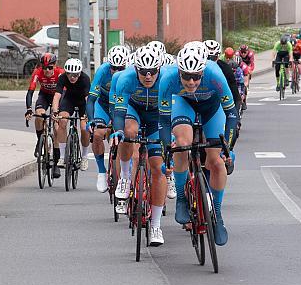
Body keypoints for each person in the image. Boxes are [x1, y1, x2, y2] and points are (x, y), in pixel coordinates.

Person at [159, 42, 237, 246]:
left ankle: (217, 215)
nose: (191, 82)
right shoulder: (167, 78)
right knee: (182, 143)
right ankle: (182, 198)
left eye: (196, 76)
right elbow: (164, 121)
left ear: (203, 71)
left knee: (217, 162)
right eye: (186, 76)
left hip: (211, 109)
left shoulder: (215, 74)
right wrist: (167, 147)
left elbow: (231, 114)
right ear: (179, 72)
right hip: (183, 105)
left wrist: (227, 148)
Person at [111, 45, 166, 246]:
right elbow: (118, 112)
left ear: (159, 69)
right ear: (136, 70)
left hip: (157, 117)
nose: (148, 76)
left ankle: (156, 225)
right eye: (143, 72)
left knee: (158, 169)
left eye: (152, 72)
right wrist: (118, 131)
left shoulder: (167, 79)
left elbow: (173, 114)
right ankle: (125, 177)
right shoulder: (125, 78)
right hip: (134, 111)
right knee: (128, 132)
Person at [87, 45, 130, 192]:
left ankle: (124, 176)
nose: (116, 71)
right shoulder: (102, 71)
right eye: (113, 67)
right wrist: (91, 120)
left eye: (120, 68)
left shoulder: (131, 73)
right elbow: (91, 99)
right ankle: (101, 171)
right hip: (103, 105)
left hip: (122, 105)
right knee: (98, 134)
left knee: (125, 137)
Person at [25, 53, 63, 176]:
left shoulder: (60, 73)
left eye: (50, 67)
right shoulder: (37, 72)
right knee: (39, 115)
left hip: (58, 97)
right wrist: (28, 109)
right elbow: (30, 92)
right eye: (44, 67)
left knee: (56, 129)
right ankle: (40, 140)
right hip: (44, 96)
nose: (47, 70)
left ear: (55, 66)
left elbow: (65, 93)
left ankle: (56, 163)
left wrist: (56, 111)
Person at [51, 58, 92, 172]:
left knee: (84, 128)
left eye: (75, 75)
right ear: (66, 73)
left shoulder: (85, 79)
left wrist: (89, 114)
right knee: (62, 121)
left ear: (79, 73)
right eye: (69, 74)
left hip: (83, 102)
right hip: (69, 100)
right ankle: (62, 156)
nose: (72, 77)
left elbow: (88, 99)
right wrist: (55, 112)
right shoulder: (62, 78)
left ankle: (84, 156)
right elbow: (57, 96)